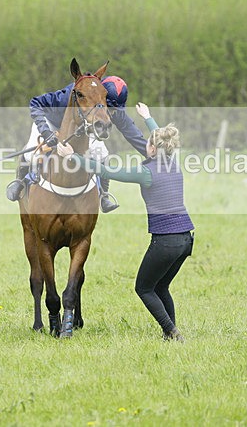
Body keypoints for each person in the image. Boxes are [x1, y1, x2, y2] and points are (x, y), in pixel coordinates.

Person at [56, 102, 194, 341]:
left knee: (144, 288)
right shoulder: (173, 161)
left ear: (151, 149)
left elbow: (105, 171)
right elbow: (162, 139)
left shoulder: (146, 172)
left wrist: (73, 156)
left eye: (148, 143)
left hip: (166, 242)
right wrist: (148, 117)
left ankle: (172, 331)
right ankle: (169, 334)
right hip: (186, 239)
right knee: (161, 287)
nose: (146, 145)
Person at [5, 73, 147, 213]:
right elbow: (36, 103)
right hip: (50, 122)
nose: (110, 113)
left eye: (114, 110)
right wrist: (46, 132)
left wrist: (156, 156)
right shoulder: (66, 97)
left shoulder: (113, 110)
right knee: (31, 153)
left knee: (103, 154)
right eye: (109, 107)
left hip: (83, 126)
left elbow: (133, 134)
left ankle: (104, 195)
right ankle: (20, 182)